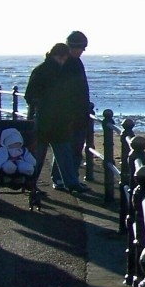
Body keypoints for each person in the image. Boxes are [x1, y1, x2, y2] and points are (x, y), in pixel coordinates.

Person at [24, 43, 88, 194]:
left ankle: (31, 183)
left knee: (38, 155)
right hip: (57, 119)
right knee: (63, 152)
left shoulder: (40, 70)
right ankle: (71, 182)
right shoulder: (59, 72)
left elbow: (29, 95)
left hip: (45, 118)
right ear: (62, 56)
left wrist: (40, 105)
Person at [64, 30, 92, 177]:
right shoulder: (69, 64)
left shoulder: (74, 62)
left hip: (79, 113)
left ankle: (69, 177)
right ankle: (67, 178)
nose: (83, 51)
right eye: (81, 48)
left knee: (73, 148)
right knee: (70, 148)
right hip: (71, 114)